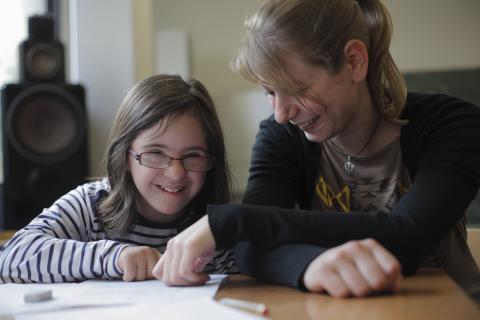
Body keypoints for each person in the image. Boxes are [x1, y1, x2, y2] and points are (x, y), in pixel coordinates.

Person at [153, 0, 480, 302]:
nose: (281, 114)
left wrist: (231, 220)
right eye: (270, 92)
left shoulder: (452, 124)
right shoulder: (282, 136)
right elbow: (250, 248)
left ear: (354, 62)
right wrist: (309, 266)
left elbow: (408, 237)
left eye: (296, 89)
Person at [0, 74, 236, 283]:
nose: (175, 173)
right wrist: (112, 257)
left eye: (193, 155)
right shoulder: (90, 205)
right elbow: (10, 257)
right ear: (124, 156)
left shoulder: (214, 224)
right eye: (155, 153)